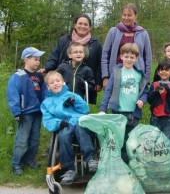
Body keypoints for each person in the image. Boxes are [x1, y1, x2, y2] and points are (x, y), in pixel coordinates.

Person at [41, 71, 98, 185]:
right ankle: (69, 169)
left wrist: (74, 102)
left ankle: (90, 159)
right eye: (52, 82)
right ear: (48, 86)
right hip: (65, 124)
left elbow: (85, 110)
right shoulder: (47, 103)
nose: (56, 84)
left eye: (58, 81)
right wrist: (58, 123)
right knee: (64, 136)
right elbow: (47, 120)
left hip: (78, 120)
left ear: (63, 82)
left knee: (80, 129)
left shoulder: (72, 95)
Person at [98, 43, 148, 163]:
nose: (129, 59)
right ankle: (121, 164)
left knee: (132, 140)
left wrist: (142, 100)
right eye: (126, 56)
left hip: (133, 113)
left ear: (136, 58)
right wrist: (102, 109)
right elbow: (108, 92)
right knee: (119, 140)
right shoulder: (116, 72)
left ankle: (133, 164)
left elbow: (145, 91)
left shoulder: (139, 74)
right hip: (118, 113)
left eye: (132, 57)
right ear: (121, 56)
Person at [39, 14, 102, 104]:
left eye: (85, 24)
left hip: (83, 82)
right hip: (65, 79)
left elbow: (99, 64)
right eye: (80, 23)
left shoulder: (96, 44)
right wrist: (47, 67)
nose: (82, 26)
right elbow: (55, 56)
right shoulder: (64, 40)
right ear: (75, 25)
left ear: (89, 27)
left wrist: (98, 82)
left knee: (81, 106)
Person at [7, 47, 46, 175]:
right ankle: (16, 164)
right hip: (25, 113)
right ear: (26, 60)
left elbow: (44, 92)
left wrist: (46, 107)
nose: (38, 62)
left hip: (37, 112)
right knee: (22, 140)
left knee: (35, 139)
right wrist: (17, 112)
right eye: (35, 59)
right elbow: (13, 94)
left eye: (39, 60)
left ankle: (29, 160)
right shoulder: (18, 76)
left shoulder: (39, 76)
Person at [101, 3, 152, 89]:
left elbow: (148, 57)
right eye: (124, 15)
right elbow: (105, 55)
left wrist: (146, 79)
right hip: (116, 73)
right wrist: (105, 77)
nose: (126, 18)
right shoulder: (113, 31)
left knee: (133, 100)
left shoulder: (143, 33)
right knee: (115, 100)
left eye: (129, 15)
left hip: (136, 73)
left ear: (135, 16)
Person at [148, 60, 170, 144]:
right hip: (155, 117)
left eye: (167, 70)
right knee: (154, 139)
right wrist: (155, 92)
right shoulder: (154, 84)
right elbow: (149, 100)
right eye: (161, 70)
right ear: (158, 72)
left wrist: (169, 91)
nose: (164, 72)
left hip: (168, 117)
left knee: (167, 140)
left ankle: (167, 156)